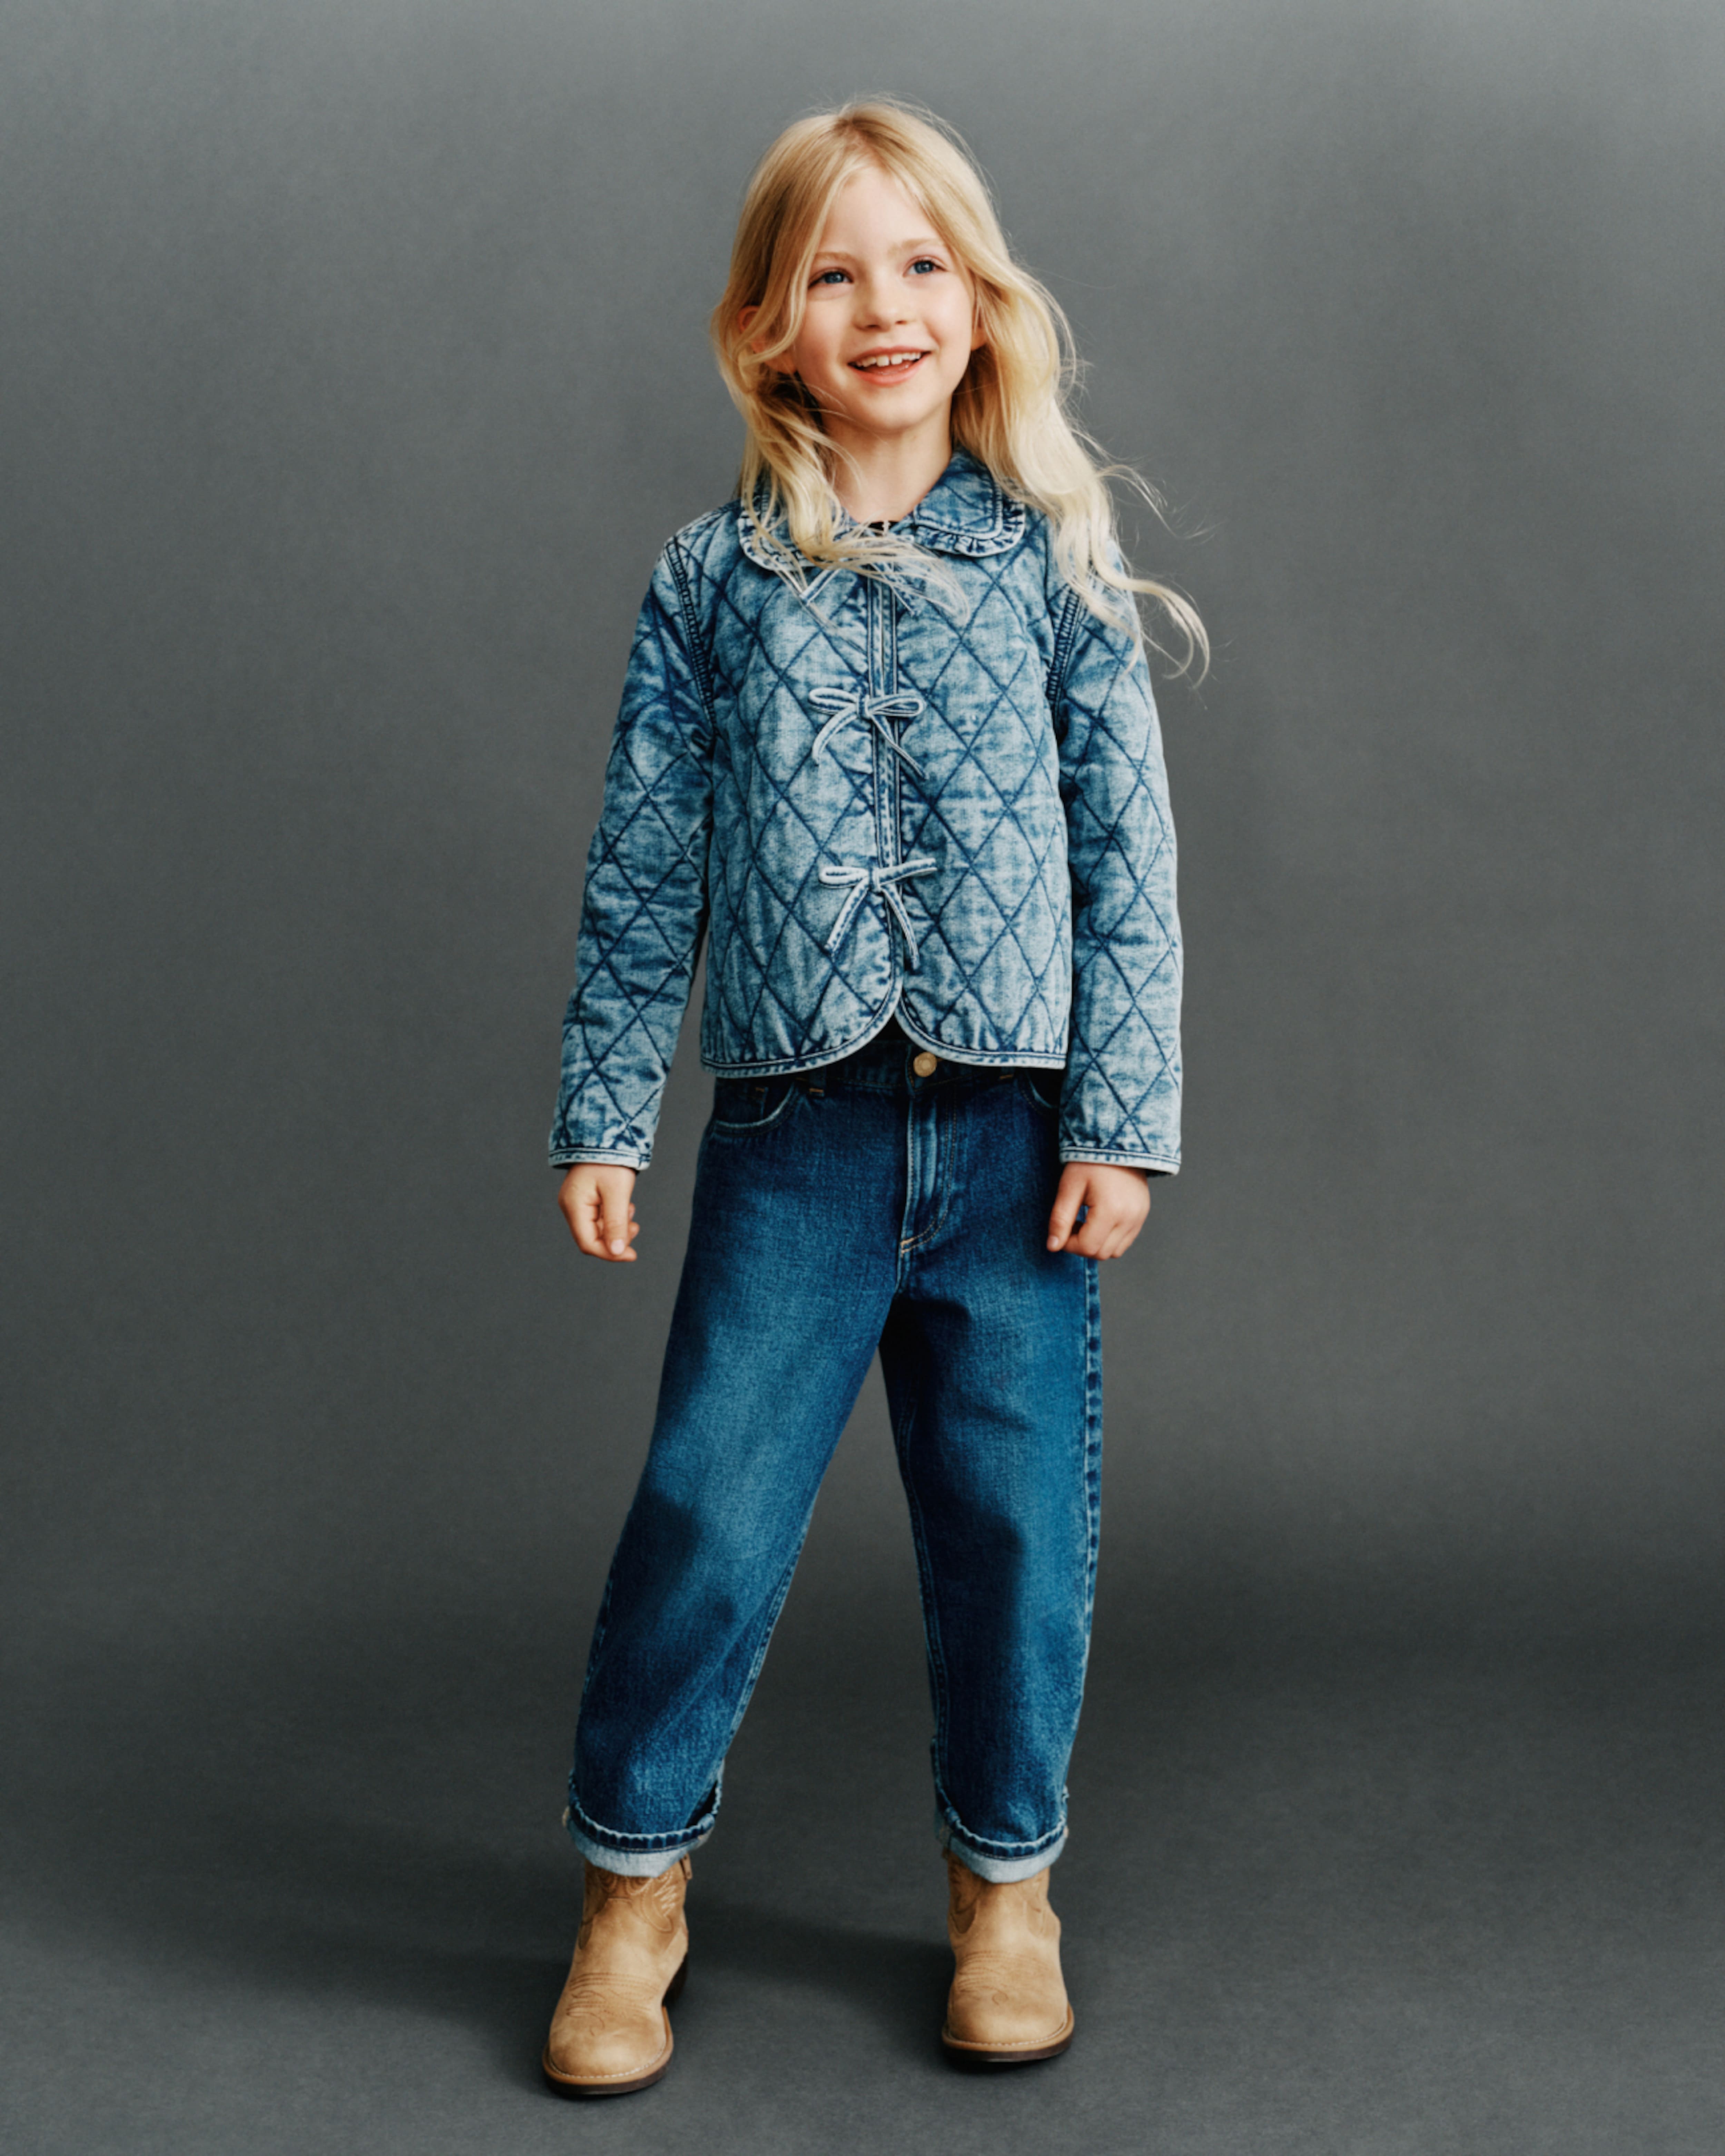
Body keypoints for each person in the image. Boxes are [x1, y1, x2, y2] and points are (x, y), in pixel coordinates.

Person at [541, 99, 1203, 2097]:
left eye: (920, 264)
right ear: (767, 327)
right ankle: (631, 1893)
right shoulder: (710, 581)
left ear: (978, 303)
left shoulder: (1054, 564)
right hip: (794, 1142)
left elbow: (1129, 863)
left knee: (1013, 1530)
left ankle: (1007, 1889)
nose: (882, 305)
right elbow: (645, 863)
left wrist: (1120, 1120)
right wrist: (603, 1111)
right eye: (832, 272)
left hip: (1013, 1145)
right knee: (706, 1510)